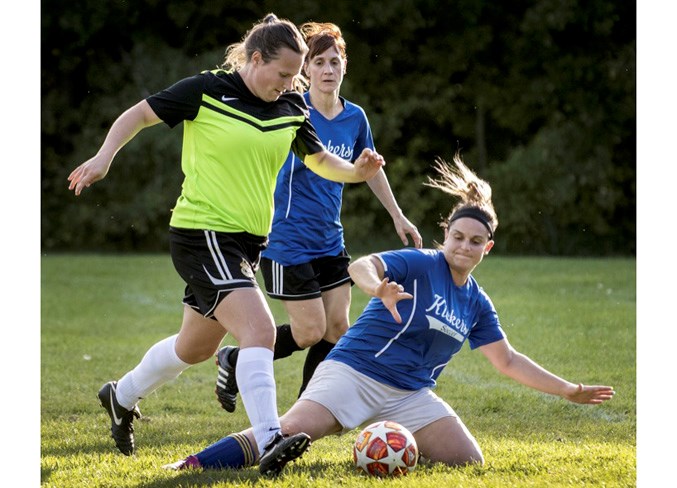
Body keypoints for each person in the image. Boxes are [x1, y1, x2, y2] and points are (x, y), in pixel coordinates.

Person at [67, 13, 386, 476]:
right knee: (257, 329)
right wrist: (103, 157)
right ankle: (270, 438)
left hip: (246, 244)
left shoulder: (292, 105)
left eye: (294, 76)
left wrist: (357, 171)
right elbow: (140, 114)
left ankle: (120, 396)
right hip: (201, 232)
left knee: (192, 349)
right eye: (282, 74)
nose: (288, 83)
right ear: (255, 59)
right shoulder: (206, 89)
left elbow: (318, 160)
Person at [164, 153, 615, 474]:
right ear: (446, 234)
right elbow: (361, 264)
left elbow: (508, 361)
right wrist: (377, 287)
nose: (463, 246)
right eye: (457, 236)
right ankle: (190, 464)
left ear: (487, 248)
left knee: (468, 460)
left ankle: (383, 442)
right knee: (281, 432)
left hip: (410, 395)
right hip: (353, 372)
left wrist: (569, 390)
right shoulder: (421, 263)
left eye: (475, 242)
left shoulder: (476, 302)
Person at [214, 21, 422, 414]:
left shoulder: (355, 117)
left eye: (335, 61)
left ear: (345, 66)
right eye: (319, 62)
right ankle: (235, 359)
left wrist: (398, 215)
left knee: (337, 329)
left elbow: (370, 168)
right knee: (310, 332)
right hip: (285, 239)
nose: (328, 70)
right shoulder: (289, 108)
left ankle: (303, 415)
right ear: (305, 69)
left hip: (330, 239)